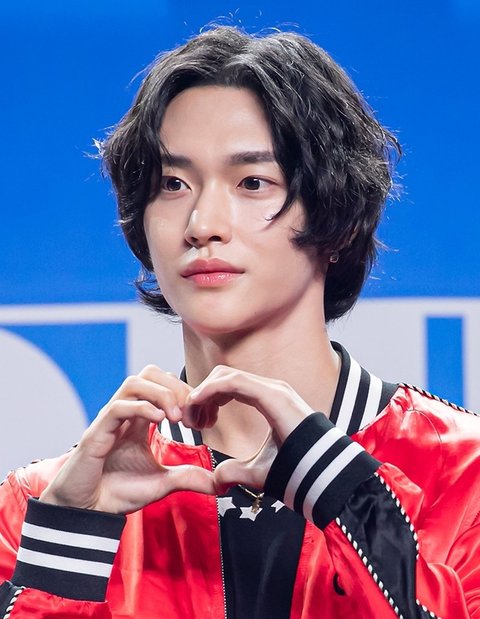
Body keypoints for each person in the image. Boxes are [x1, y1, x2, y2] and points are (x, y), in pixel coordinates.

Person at [0, 25, 479, 619]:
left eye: (253, 182)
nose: (202, 223)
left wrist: (339, 487)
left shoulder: (464, 473)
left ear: (341, 218)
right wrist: (70, 538)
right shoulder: (41, 507)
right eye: (173, 184)